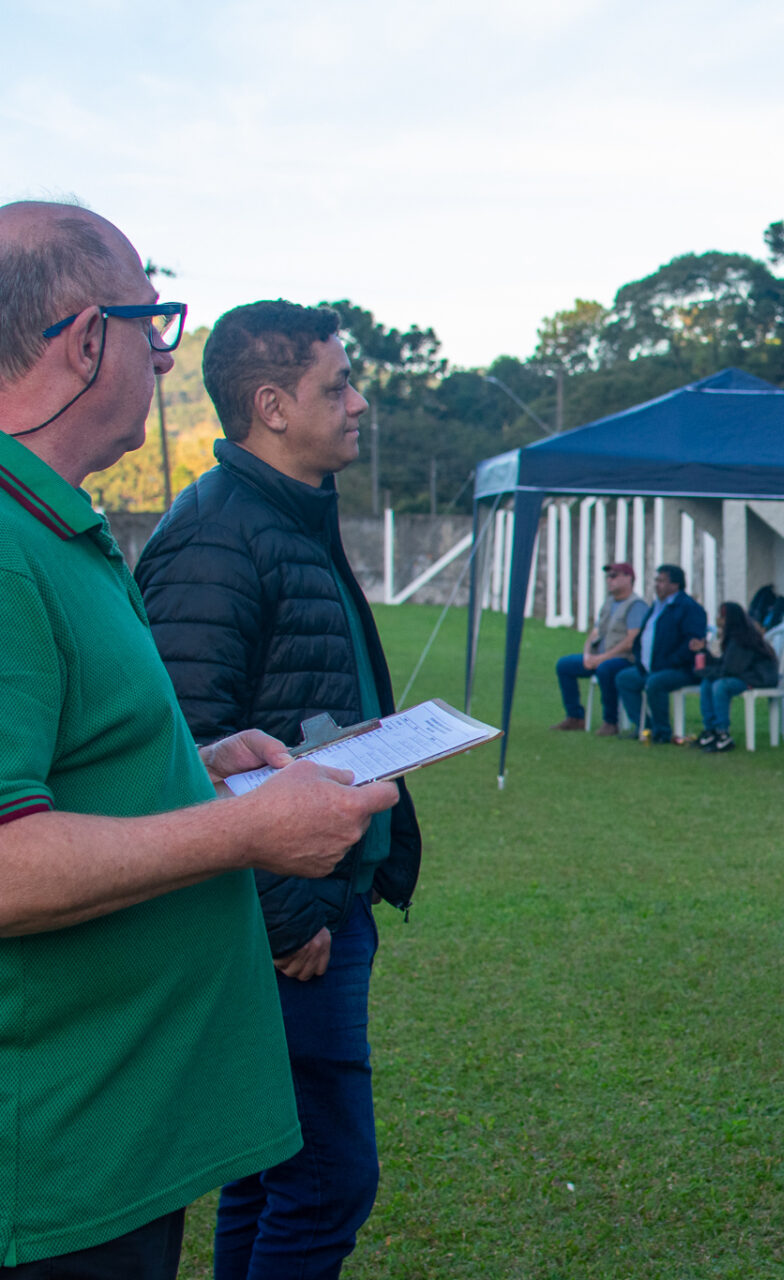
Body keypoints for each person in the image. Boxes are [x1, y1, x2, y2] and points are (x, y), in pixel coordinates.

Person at [0, 201, 393, 1278]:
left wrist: (195, 766)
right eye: (150, 324)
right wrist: (248, 835)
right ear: (86, 340)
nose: (163, 356)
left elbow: (67, 758)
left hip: (118, 1146)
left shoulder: (55, 523)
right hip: (56, 1178)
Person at [136, 299, 426, 1280]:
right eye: (335, 385)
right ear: (270, 405)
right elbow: (182, 748)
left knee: (272, 1173)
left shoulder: (289, 512)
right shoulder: (219, 534)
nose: (357, 402)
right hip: (290, 920)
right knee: (326, 1179)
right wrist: (284, 910)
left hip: (326, 892)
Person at [613, 564, 708, 744]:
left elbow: (692, 643)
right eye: (656, 580)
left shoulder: (688, 608)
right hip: (652, 667)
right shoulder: (657, 606)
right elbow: (645, 634)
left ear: (675, 585)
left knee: (656, 683)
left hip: (681, 669)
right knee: (625, 679)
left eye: (662, 581)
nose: (657, 585)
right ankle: (645, 727)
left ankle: (662, 731)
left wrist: (669, 661)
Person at [552, 561, 648, 735]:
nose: (609, 581)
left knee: (606, 669)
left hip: (625, 659)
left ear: (629, 578)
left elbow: (631, 640)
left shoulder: (636, 605)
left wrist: (602, 658)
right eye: (608, 577)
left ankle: (611, 722)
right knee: (564, 665)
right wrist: (588, 654)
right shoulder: (609, 603)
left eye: (614, 576)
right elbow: (595, 632)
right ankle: (575, 716)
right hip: (599, 657)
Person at [690, 601, 780, 753]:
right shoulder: (733, 638)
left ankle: (722, 733)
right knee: (707, 683)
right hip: (744, 675)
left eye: (721, 616)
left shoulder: (743, 639)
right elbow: (724, 664)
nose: (718, 620)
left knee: (720, 686)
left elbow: (731, 670)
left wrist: (704, 671)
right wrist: (703, 652)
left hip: (757, 679)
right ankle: (710, 730)